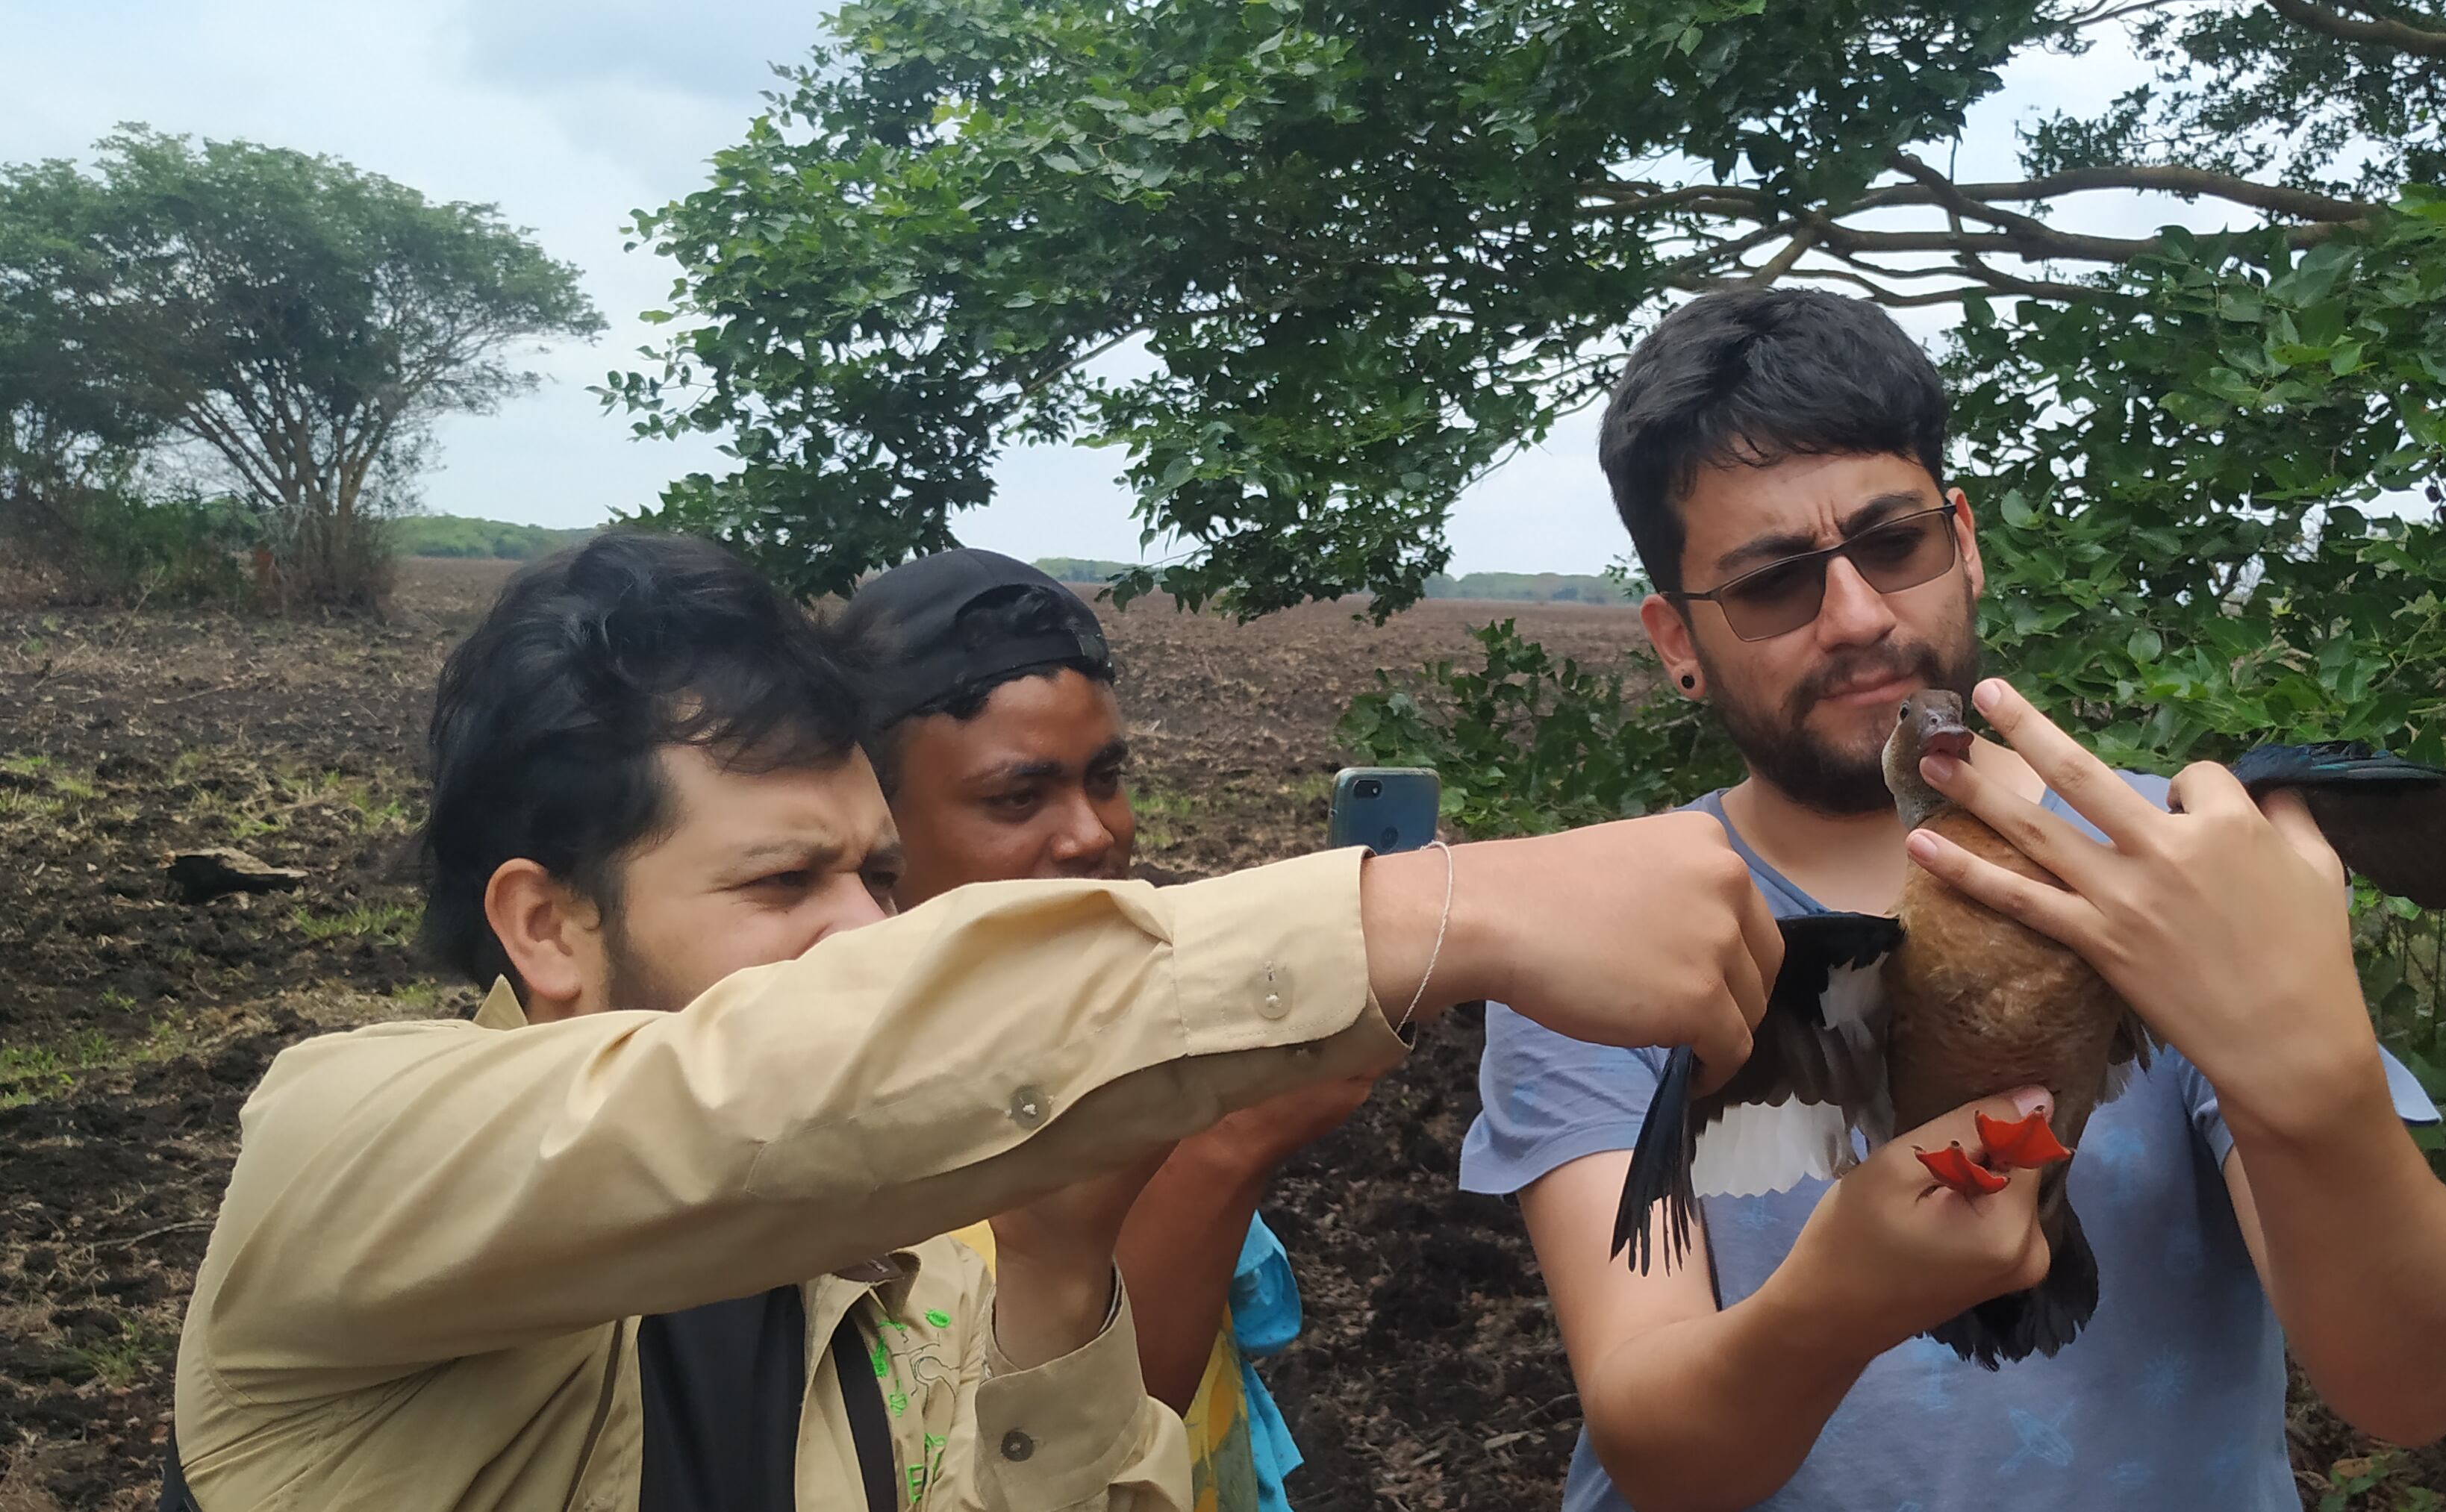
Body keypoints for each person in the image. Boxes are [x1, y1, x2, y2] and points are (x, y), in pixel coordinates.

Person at [167, 531, 1799, 1512]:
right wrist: (1437, 909)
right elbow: (758, 1098)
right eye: (781, 881)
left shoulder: (891, 1265)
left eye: (874, 871)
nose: (866, 928)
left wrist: (1051, 1277)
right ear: (547, 925)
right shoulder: (343, 1157)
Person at [1462, 288, 2446, 1511]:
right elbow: (1662, 1449)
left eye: (1893, 544)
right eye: (1775, 583)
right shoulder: (1609, 932)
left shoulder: (2168, 862)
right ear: (1675, 638)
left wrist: (2317, 1080)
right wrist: (1831, 1302)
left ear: (1964, 537)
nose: (1858, 617)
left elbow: (2411, 1387)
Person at [835, 548, 1373, 1512]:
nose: (1094, 833)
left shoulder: (1099, 1019)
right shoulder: (853, 1126)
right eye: (1017, 796)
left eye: (1106, 776)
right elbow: (1091, 1445)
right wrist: (1230, 1147)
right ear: (873, 827)